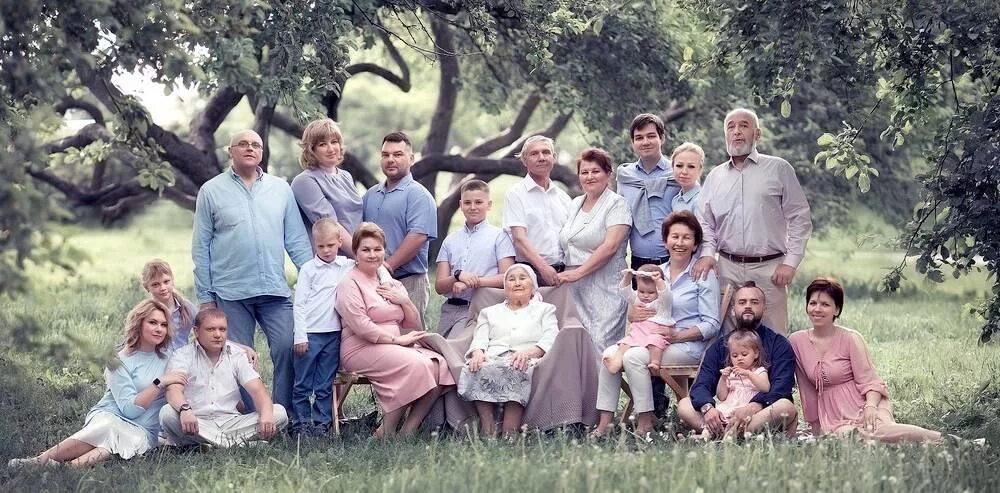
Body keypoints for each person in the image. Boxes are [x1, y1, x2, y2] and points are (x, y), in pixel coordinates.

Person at [191, 129, 313, 416]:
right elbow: (201, 247)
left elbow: (296, 240)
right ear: (230, 151)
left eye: (256, 144)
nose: (250, 148)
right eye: (243, 144)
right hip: (230, 290)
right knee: (238, 357)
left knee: (288, 346)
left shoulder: (280, 189)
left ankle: (283, 413)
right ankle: (251, 417)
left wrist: (314, 281)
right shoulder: (211, 191)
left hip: (274, 289)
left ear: (262, 152)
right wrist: (206, 298)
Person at [8, 300, 184, 467]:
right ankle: (39, 461)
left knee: (115, 442)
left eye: (163, 324)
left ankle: (66, 468)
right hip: (111, 415)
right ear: (139, 324)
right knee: (109, 429)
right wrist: (158, 383)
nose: (159, 329)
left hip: (145, 430)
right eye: (153, 322)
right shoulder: (118, 361)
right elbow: (129, 410)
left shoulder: (171, 359)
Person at [593, 211, 720, 436]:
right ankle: (605, 423)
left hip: (687, 346)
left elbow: (712, 324)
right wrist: (635, 314)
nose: (679, 243)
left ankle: (645, 421)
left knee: (633, 357)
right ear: (665, 241)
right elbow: (635, 301)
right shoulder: (654, 272)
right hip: (648, 339)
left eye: (686, 238)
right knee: (609, 355)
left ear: (695, 244)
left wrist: (676, 336)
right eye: (674, 237)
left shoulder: (702, 274)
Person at [693, 108, 813, 334]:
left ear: (757, 134)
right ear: (725, 134)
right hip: (727, 267)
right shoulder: (715, 176)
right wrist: (708, 254)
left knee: (774, 334)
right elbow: (704, 222)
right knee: (729, 336)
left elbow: (800, 217)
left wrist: (791, 261)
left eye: (744, 126)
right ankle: (732, 372)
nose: (736, 132)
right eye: (731, 126)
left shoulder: (778, 168)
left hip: (770, 267)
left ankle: (775, 371)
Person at [335, 223, 455, 438]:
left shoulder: (389, 282)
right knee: (416, 364)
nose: (372, 255)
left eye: (377, 249)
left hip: (394, 344)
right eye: (366, 249)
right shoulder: (349, 283)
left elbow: (414, 325)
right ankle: (385, 432)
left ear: (384, 251)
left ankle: (408, 430)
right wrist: (396, 340)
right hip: (361, 347)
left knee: (440, 365)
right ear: (355, 252)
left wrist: (405, 301)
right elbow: (362, 326)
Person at [789, 277, 943, 443]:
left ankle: (945, 440)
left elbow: (871, 382)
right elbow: (806, 389)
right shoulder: (797, 341)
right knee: (851, 436)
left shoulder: (850, 338)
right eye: (812, 303)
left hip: (865, 402)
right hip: (834, 414)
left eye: (825, 304)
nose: (817, 309)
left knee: (881, 431)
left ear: (837, 309)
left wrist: (870, 407)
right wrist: (815, 426)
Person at [677, 281, 797, 438]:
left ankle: (718, 434)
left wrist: (755, 405)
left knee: (785, 407)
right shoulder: (721, 346)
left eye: (754, 302)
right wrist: (708, 408)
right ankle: (727, 431)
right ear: (733, 310)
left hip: (760, 412)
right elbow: (702, 384)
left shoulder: (779, 344)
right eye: (742, 302)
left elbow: (782, 386)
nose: (748, 306)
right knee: (684, 405)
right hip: (727, 411)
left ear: (764, 309)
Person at [159, 308, 288, 447]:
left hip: (231, 422)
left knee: (279, 412)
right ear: (196, 331)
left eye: (222, 329)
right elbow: (173, 390)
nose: (218, 334)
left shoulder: (237, 355)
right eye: (211, 329)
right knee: (167, 414)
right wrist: (185, 410)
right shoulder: (182, 355)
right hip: (196, 421)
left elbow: (257, 390)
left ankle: (206, 445)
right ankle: (239, 445)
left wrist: (267, 414)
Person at [458, 264, 558, 437]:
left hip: (527, 356)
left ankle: (510, 432)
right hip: (493, 355)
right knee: (475, 367)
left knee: (517, 367)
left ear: (533, 285)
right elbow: (479, 337)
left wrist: (529, 352)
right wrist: (478, 353)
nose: (517, 283)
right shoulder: (489, 312)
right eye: (511, 279)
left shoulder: (545, 310)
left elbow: (551, 336)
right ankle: (488, 428)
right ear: (505, 289)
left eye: (522, 278)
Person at [557, 147, 631, 350]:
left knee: (601, 350)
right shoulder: (574, 204)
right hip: (575, 293)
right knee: (577, 352)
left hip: (606, 290)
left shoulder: (617, 204)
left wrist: (577, 273)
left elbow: (610, 246)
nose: (589, 176)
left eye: (596, 171)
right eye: (584, 172)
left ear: (608, 174)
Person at [361, 131, 438, 325]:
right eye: (386, 155)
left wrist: (387, 266)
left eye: (397, 154)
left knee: (410, 342)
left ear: (411, 159)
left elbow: (418, 237)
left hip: (408, 282)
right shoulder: (370, 195)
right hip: (373, 282)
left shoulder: (418, 195)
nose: (390, 160)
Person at [290, 218, 356, 436]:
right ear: (314, 244)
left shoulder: (346, 265)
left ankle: (322, 423)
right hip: (309, 334)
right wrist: (300, 336)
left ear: (339, 241)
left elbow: (374, 266)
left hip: (333, 335)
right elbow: (298, 305)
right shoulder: (309, 269)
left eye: (330, 245)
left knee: (325, 383)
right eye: (320, 246)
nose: (326, 250)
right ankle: (301, 424)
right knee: (303, 383)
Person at [434, 179, 516, 338]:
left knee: (453, 350)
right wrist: (458, 276)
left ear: (489, 204)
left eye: (478, 202)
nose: (472, 207)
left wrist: (471, 282)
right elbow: (439, 286)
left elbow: (507, 277)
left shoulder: (499, 237)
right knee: (437, 352)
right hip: (449, 310)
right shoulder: (450, 240)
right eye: (467, 202)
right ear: (460, 204)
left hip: (480, 308)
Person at [503, 135, 572, 287]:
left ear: (554, 158)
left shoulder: (564, 197)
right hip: (531, 274)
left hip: (563, 274)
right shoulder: (515, 194)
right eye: (534, 154)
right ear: (524, 160)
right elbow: (519, 239)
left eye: (546, 152)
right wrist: (543, 268)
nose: (541, 157)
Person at [616, 113, 680, 271]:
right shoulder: (625, 176)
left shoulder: (677, 173)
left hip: (674, 261)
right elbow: (620, 220)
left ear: (662, 138)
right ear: (632, 143)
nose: (645, 142)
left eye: (651, 136)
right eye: (639, 138)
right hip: (637, 263)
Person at [291, 118, 363, 254]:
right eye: (323, 144)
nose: (331, 149)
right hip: (333, 263)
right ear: (311, 150)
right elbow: (331, 227)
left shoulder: (345, 176)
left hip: (358, 257)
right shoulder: (305, 181)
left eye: (334, 142)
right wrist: (360, 256)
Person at [698, 330, 770, 440]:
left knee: (740, 424)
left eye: (744, 354)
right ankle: (705, 437)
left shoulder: (759, 371)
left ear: (756, 354)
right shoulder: (732, 374)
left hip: (747, 408)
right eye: (734, 355)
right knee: (718, 419)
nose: (739, 358)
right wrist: (723, 378)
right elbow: (721, 396)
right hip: (729, 406)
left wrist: (748, 374)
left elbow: (765, 387)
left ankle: (729, 439)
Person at [602, 264, 674, 374]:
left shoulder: (661, 302)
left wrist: (658, 281)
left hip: (655, 332)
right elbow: (625, 291)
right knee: (625, 343)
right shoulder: (637, 299)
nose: (645, 295)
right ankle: (615, 364)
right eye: (641, 291)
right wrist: (628, 277)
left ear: (657, 290)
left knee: (656, 342)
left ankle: (655, 363)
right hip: (638, 332)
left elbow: (666, 294)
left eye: (651, 292)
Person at [141, 259, 198, 352]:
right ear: (147, 287)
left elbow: (204, 327)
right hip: (158, 361)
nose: (163, 288)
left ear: (172, 281)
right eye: (156, 284)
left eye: (166, 282)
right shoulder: (145, 312)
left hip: (183, 361)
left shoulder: (186, 307)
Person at [669, 142, 705, 218]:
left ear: (700, 170)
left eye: (691, 166)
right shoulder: (675, 200)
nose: (684, 171)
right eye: (679, 166)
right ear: (672, 167)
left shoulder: (701, 201)